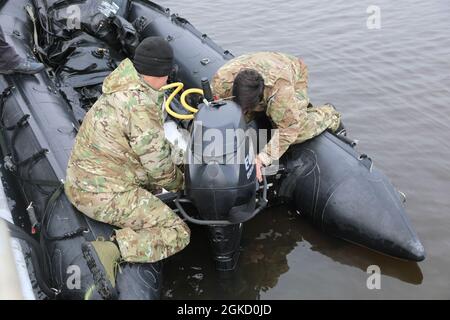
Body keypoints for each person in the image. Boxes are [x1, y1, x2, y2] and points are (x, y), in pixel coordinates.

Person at [64, 37, 190, 288]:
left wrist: (182, 159)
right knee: (178, 232)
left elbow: (152, 146)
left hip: (88, 178)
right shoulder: (140, 105)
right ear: (161, 72)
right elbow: (159, 169)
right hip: (99, 192)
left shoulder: (124, 85)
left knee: (153, 189)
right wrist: (185, 183)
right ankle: (113, 249)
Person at [211, 52, 342, 181]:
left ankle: (329, 115)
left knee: (297, 132)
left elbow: (289, 130)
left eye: (246, 109)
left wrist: (261, 158)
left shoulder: (279, 90)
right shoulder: (221, 82)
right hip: (263, 67)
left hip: (292, 72)